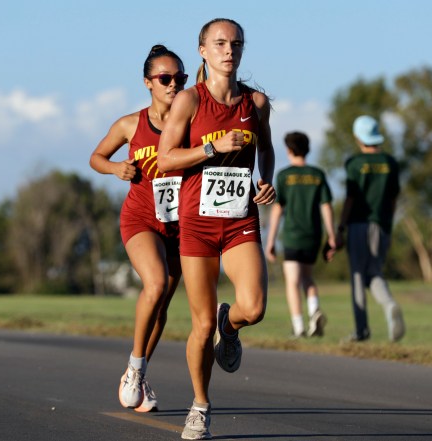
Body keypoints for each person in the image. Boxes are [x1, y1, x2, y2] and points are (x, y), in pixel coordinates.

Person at [157, 18, 275, 440]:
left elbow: (266, 150)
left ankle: (233, 325)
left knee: (255, 308)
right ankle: (200, 406)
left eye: (236, 44)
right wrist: (212, 147)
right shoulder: (189, 101)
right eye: (220, 43)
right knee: (200, 325)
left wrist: (266, 181)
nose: (230, 51)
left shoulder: (254, 103)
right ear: (202, 50)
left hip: (240, 217)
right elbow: (165, 159)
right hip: (198, 223)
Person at [89, 45, 188, 412]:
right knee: (156, 283)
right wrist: (117, 168)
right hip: (142, 219)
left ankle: (140, 373)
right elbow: (96, 157)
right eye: (165, 78)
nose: (173, 84)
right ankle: (133, 368)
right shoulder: (131, 124)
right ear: (148, 83)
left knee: (162, 306)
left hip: (181, 226)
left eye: (180, 78)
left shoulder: (192, 123)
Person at [336, 115, 405, 343]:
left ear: (358, 138)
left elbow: (350, 199)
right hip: (382, 225)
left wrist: (341, 227)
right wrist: (388, 225)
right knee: (374, 272)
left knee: (358, 276)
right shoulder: (391, 163)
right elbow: (394, 199)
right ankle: (389, 304)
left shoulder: (354, 163)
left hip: (358, 225)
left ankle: (361, 330)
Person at [264, 131, 336, 338]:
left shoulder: (284, 176)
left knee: (292, 281)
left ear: (288, 150)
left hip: (293, 236)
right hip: (313, 235)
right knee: (308, 277)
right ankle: (314, 310)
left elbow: (278, 210)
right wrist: (331, 236)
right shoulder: (317, 174)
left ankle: (298, 327)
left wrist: (270, 240)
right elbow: (326, 206)